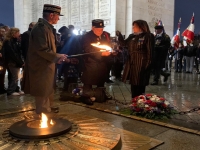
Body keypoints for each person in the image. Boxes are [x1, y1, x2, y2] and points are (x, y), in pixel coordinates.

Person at [23, 4, 68, 115]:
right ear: (51, 15)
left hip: (46, 66)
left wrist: (58, 55)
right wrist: (57, 56)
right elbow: (42, 49)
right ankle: (42, 120)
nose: (59, 18)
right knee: (42, 93)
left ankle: (47, 113)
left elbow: (48, 49)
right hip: (41, 68)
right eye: (58, 15)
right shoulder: (40, 29)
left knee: (47, 90)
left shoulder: (46, 27)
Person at [117, 20, 154, 98]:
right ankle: (134, 101)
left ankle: (140, 102)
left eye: (135, 26)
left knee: (140, 85)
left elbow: (150, 52)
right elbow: (124, 44)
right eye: (133, 26)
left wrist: (146, 66)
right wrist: (119, 36)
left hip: (141, 63)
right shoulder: (132, 36)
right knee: (133, 83)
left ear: (141, 27)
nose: (133, 28)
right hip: (132, 63)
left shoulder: (148, 36)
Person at [81, 19, 112, 105]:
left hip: (102, 62)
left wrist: (111, 52)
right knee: (89, 80)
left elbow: (107, 45)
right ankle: (86, 96)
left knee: (101, 79)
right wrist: (101, 54)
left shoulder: (104, 36)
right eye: (98, 29)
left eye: (101, 29)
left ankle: (100, 94)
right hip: (91, 62)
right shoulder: (87, 36)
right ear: (93, 28)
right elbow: (87, 49)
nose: (100, 31)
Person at [3, 28, 24, 96]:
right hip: (12, 62)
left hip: (14, 62)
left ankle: (16, 89)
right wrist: (20, 62)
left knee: (16, 76)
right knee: (14, 76)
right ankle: (11, 91)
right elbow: (12, 54)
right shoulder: (8, 42)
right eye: (17, 33)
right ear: (13, 33)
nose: (19, 34)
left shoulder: (14, 41)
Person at [0, 27, 6, 94]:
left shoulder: (3, 39)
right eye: (2, 31)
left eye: (4, 31)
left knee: (2, 74)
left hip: (3, 60)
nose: (3, 33)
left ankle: (2, 87)